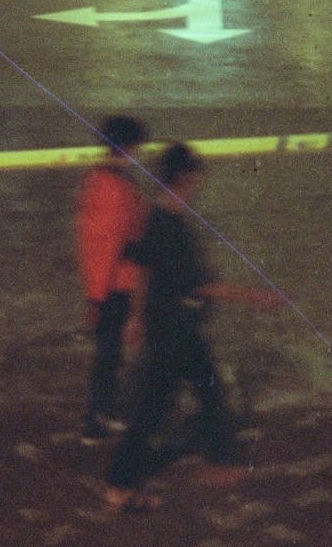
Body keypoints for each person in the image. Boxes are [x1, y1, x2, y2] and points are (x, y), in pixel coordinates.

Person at [104, 142, 282, 513]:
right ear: (185, 179)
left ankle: (223, 461)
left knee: (208, 387)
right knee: (156, 406)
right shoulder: (172, 228)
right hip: (175, 330)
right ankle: (120, 485)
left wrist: (135, 317)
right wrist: (257, 297)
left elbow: (141, 270)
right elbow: (199, 285)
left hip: (167, 324)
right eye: (197, 178)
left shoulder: (154, 219)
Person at [75, 115, 149, 444]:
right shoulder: (117, 190)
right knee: (110, 354)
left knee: (109, 353)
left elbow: (91, 242)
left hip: (108, 285)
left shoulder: (98, 179)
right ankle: (98, 419)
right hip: (117, 287)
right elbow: (109, 245)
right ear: (130, 147)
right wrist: (98, 298)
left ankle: (101, 414)